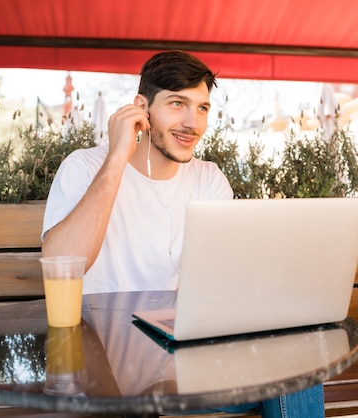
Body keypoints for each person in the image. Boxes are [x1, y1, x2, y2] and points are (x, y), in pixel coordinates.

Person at [41, 50, 324, 418]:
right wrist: (117, 157)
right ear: (141, 108)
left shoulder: (208, 180)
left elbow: (226, 285)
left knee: (300, 360)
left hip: (189, 372)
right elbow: (61, 263)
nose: (193, 122)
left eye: (203, 108)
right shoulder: (84, 167)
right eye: (178, 104)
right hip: (106, 379)